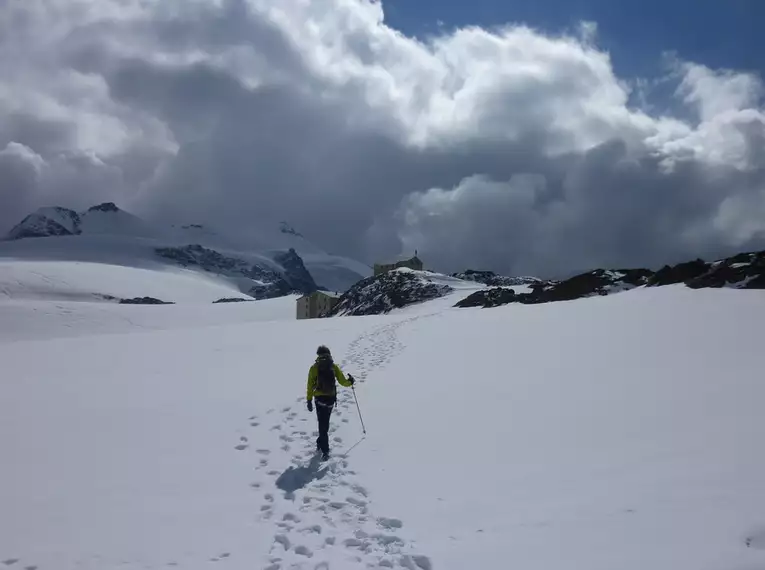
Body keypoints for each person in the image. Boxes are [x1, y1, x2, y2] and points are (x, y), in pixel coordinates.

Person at [306, 345, 354, 459]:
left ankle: (325, 450)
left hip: (319, 400)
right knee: (324, 423)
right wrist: (350, 382)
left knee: (322, 424)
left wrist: (309, 400)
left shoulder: (314, 368)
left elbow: (309, 386)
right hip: (330, 399)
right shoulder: (333, 366)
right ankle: (320, 443)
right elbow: (343, 381)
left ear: (318, 355)